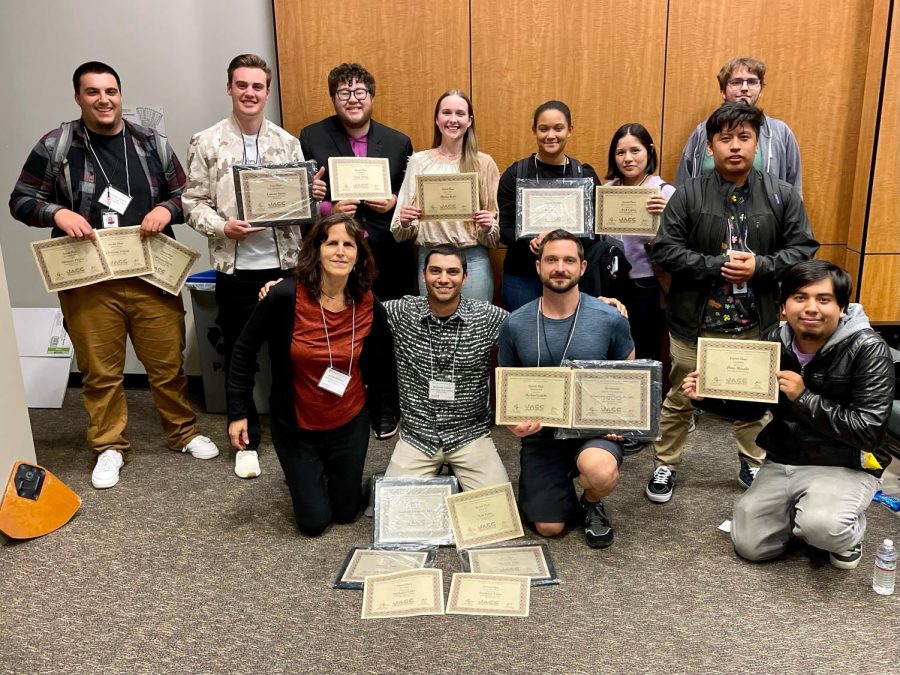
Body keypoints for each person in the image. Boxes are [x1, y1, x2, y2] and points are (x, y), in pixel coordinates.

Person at [8, 61, 218, 489]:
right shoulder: (58, 145)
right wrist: (57, 212)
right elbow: (21, 199)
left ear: (121, 94)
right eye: (93, 92)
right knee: (100, 369)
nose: (104, 100)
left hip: (150, 273)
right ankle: (109, 445)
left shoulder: (150, 144)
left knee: (166, 363)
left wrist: (166, 208)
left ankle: (182, 433)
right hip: (88, 279)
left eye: (111, 91)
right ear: (78, 97)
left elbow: (185, 195)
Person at [646, 102, 818, 504]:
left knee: (755, 397)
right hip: (694, 320)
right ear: (710, 147)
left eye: (744, 138)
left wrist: (761, 266)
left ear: (756, 143)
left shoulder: (781, 194)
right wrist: (715, 265)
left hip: (754, 321)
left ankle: (752, 459)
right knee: (682, 394)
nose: (735, 147)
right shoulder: (688, 194)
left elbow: (804, 248)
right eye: (726, 139)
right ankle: (666, 463)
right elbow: (666, 251)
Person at [682, 260, 894, 570]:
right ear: (784, 306)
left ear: (841, 307)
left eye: (823, 299)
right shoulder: (774, 340)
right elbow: (754, 407)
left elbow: (869, 431)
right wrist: (709, 398)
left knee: (825, 529)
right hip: (785, 458)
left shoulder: (868, 349)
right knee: (750, 545)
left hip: (844, 462)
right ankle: (806, 510)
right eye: (800, 298)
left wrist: (804, 397)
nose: (811, 308)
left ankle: (847, 533)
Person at [183, 54, 326, 480]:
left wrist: (311, 193)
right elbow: (192, 203)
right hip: (235, 268)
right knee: (239, 355)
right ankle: (247, 439)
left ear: (267, 92)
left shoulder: (287, 143)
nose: (250, 93)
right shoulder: (205, 142)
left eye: (258, 86)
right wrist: (222, 226)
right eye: (241, 85)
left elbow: (303, 210)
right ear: (229, 88)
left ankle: (292, 432)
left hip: (284, 268)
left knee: (289, 356)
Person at [226, 213, 398, 536]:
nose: (340, 251)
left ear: (359, 254)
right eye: (331, 243)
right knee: (314, 523)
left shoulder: (367, 301)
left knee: (347, 513)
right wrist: (238, 413)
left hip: (348, 419)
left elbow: (381, 361)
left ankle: (325, 473)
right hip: (297, 426)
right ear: (316, 250)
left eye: (349, 244)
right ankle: (302, 472)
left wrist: (384, 414)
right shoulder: (285, 296)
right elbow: (243, 351)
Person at [498, 229, 635, 548]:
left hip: (594, 432)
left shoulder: (608, 318)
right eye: (552, 260)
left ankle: (590, 499)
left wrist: (622, 421)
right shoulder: (515, 323)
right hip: (543, 436)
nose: (560, 267)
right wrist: (513, 423)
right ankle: (558, 487)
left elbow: (630, 377)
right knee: (549, 527)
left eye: (569, 260)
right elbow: (508, 388)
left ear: (582, 268)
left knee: (598, 472)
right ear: (538, 267)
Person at [382, 244, 509, 489]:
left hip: (469, 435)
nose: (443, 279)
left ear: (465, 277)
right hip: (418, 437)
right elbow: (354, 308)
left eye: (452, 272)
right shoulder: (401, 312)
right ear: (424, 275)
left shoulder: (487, 317)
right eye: (435, 271)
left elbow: (528, 329)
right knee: (395, 519)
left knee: (496, 519)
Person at [300, 62, 416, 303]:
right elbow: (302, 193)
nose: (352, 99)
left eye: (360, 92)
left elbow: (410, 191)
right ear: (333, 98)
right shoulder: (311, 137)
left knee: (389, 325)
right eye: (344, 92)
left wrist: (392, 201)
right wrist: (328, 209)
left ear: (371, 96)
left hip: (388, 255)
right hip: (335, 253)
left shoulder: (398, 142)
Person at [391, 90, 500, 302]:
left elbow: (495, 237)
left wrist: (488, 226)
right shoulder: (418, 162)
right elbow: (398, 231)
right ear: (437, 119)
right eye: (446, 113)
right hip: (431, 259)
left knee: (476, 328)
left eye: (460, 114)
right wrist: (405, 222)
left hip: (474, 261)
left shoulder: (484, 163)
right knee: (435, 330)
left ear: (469, 121)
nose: (453, 119)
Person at [497, 101, 602, 311]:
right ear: (534, 130)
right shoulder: (515, 174)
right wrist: (529, 241)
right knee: (525, 339)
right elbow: (503, 227)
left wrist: (564, 242)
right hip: (522, 276)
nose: (550, 135)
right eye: (543, 129)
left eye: (558, 128)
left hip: (570, 278)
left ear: (570, 130)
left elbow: (596, 232)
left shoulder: (584, 176)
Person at [675, 57, 803, 194]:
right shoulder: (703, 131)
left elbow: (794, 189)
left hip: (764, 214)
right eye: (736, 82)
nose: (744, 88)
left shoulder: (780, 132)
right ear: (723, 91)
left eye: (752, 82)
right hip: (707, 213)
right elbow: (682, 186)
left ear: (760, 90)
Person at [603, 122, 674, 362]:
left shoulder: (664, 192)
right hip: (612, 285)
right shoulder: (607, 190)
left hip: (648, 285)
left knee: (646, 350)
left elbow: (683, 241)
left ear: (649, 151)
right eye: (621, 152)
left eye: (635, 150)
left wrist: (668, 216)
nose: (628, 158)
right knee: (614, 351)